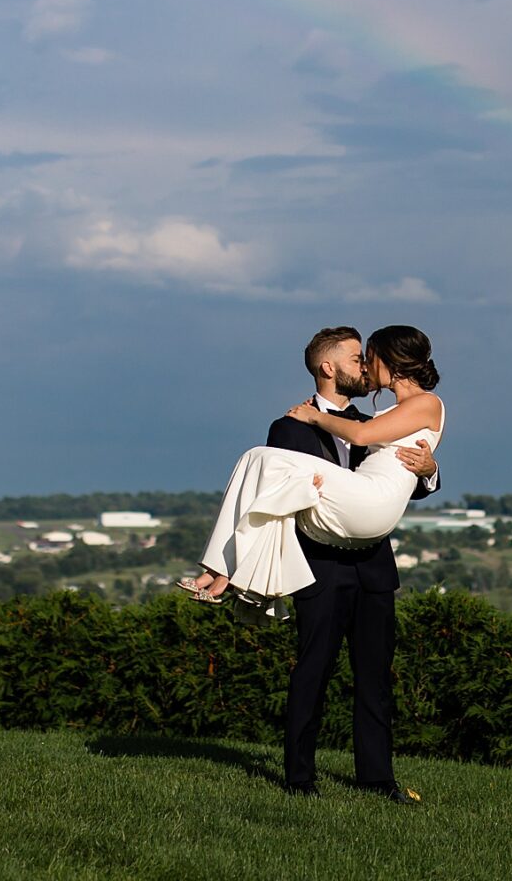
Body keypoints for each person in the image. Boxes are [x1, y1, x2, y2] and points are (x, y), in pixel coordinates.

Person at [185, 325, 442, 803]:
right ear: (329, 368)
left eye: (367, 359)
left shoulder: (379, 419)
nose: (364, 366)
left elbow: (402, 476)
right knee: (313, 670)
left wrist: (430, 473)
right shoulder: (289, 427)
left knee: (375, 677)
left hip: (372, 564)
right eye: (354, 358)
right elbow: (277, 495)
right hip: (320, 564)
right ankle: (300, 778)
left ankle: (377, 778)